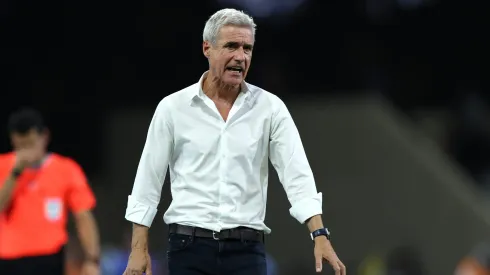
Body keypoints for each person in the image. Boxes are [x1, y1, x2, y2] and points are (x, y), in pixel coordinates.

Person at [124, 8, 346, 275]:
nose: (241, 57)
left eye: (247, 48)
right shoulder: (172, 108)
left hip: (246, 250)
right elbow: (148, 180)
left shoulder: (271, 108)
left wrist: (319, 234)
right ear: (207, 48)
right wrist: (138, 249)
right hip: (188, 248)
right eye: (232, 46)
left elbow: (296, 174)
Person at [0, 108, 101, 275]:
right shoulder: (4, 167)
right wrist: (16, 172)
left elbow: (83, 216)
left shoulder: (66, 170)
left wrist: (92, 259)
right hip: (9, 259)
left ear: (44, 137)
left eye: (31, 143)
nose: (26, 151)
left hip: (49, 257)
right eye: (21, 145)